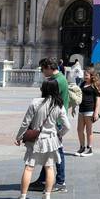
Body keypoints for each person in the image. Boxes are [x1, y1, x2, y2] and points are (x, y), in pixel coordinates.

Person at [16, 80, 66, 199]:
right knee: (49, 167)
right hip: (51, 140)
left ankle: (22, 198)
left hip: (35, 140)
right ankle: (47, 197)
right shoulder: (59, 105)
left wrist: (19, 136)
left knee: (29, 167)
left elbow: (25, 123)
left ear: (43, 89)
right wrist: (59, 134)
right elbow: (67, 126)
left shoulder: (36, 102)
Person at [31, 59, 73, 192]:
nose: (42, 72)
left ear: (49, 67)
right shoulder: (58, 78)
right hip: (56, 119)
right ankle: (43, 179)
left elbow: (48, 100)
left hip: (56, 121)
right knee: (47, 150)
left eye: (43, 69)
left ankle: (61, 182)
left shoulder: (58, 81)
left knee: (58, 152)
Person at [76, 67, 100, 155]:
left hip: (90, 110)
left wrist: (96, 112)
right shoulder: (82, 84)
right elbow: (78, 95)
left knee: (88, 130)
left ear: (91, 76)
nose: (85, 77)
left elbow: (98, 100)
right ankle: (82, 147)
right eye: (84, 75)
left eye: (86, 75)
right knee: (79, 130)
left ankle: (89, 148)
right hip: (81, 109)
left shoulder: (94, 85)